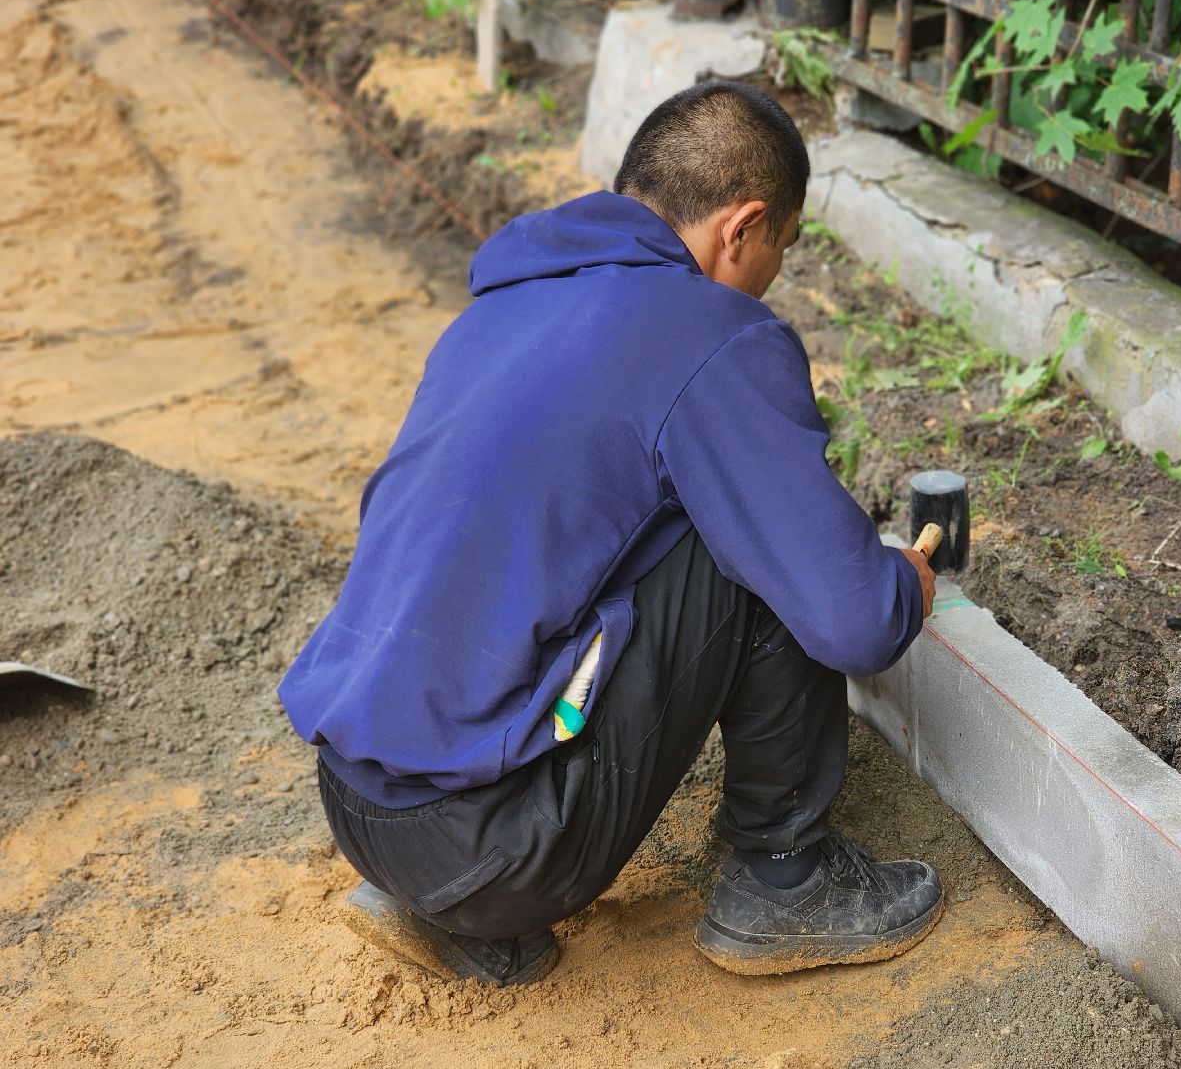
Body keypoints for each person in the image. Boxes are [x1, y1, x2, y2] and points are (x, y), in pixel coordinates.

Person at [280, 80, 940, 986]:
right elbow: (853, 621)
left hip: (358, 806)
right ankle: (786, 881)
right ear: (740, 229)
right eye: (777, 252)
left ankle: (451, 915)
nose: (767, 280)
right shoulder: (711, 333)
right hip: (493, 848)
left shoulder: (504, 308)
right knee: (755, 536)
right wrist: (902, 581)